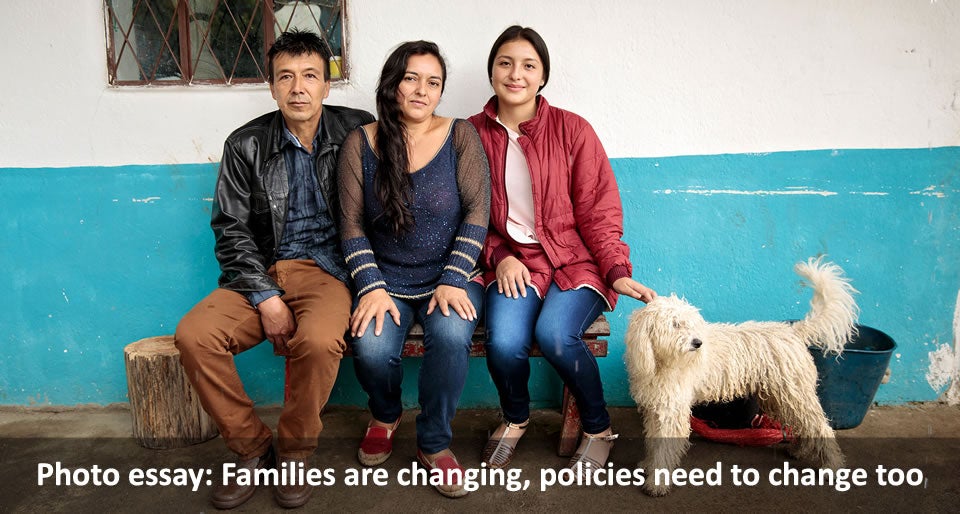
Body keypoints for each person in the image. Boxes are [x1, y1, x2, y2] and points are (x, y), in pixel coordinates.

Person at [174, 30, 374, 509]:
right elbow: (231, 230)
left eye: (310, 76)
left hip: (329, 270)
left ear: (328, 85)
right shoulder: (245, 144)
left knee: (322, 340)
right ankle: (252, 447)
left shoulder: (358, 130)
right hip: (259, 272)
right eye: (286, 77)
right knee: (194, 335)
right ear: (272, 86)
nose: (298, 87)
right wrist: (265, 296)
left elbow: (383, 209)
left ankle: (295, 451)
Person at [467, 26, 658, 471]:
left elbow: (598, 209)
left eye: (529, 65)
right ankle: (515, 419)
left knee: (556, 335)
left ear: (543, 77)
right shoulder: (470, 135)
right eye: (505, 63)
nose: (516, 74)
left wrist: (615, 269)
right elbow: (468, 213)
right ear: (492, 72)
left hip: (578, 262)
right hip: (516, 263)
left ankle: (598, 427)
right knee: (505, 343)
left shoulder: (573, 129)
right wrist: (499, 255)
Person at [338, 40, 490, 498]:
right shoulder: (360, 143)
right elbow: (350, 223)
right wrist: (371, 286)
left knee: (450, 335)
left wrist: (452, 277)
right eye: (411, 78)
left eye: (433, 82)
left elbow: (478, 211)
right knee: (369, 345)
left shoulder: (460, 135)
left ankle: (434, 443)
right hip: (385, 281)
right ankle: (385, 413)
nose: (422, 90)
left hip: (452, 277)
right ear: (393, 84)